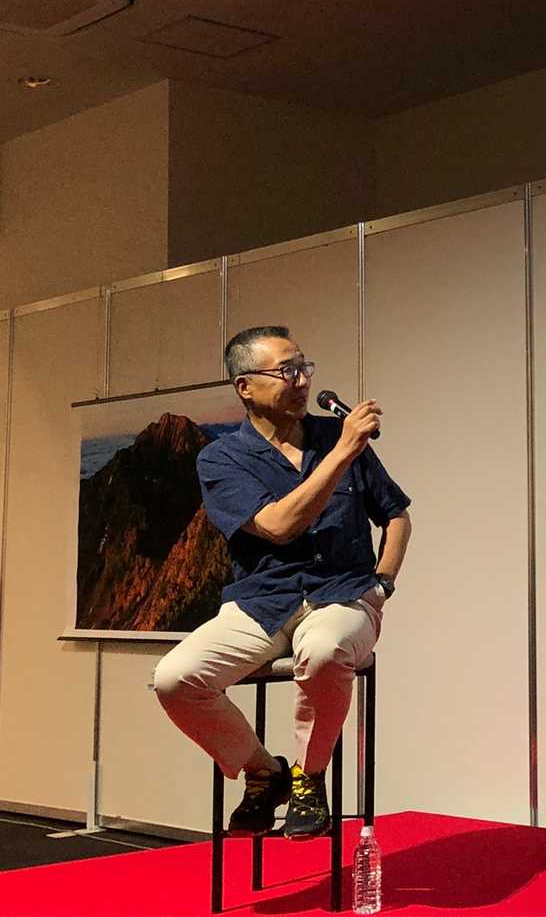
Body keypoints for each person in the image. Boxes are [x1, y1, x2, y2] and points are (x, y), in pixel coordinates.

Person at [153, 326, 412, 839]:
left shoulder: (334, 438)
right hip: (261, 602)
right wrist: (342, 452)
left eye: (304, 368)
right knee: (175, 679)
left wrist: (383, 583)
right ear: (245, 387)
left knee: (324, 650)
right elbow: (277, 525)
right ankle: (262, 772)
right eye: (286, 371)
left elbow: (396, 515)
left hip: (342, 595)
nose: (302, 381)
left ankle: (308, 777)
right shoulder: (221, 458)